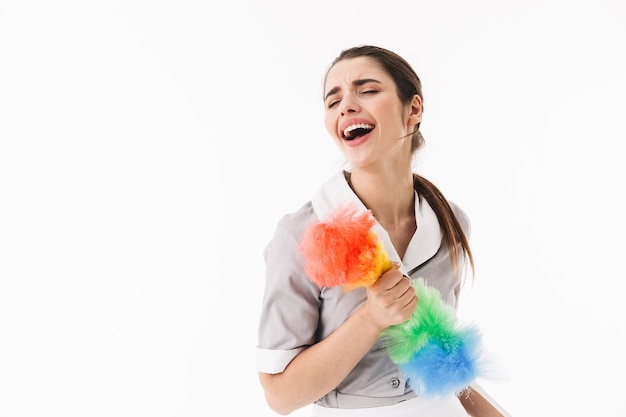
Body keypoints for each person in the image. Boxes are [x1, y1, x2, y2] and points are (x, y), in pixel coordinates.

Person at [257, 45, 506, 417]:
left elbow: (445, 366)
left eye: (367, 90)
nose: (346, 106)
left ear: (414, 109)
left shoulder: (450, 223)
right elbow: (280, 397)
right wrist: (372, 318)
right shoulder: (301, 235)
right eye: (333, 100)